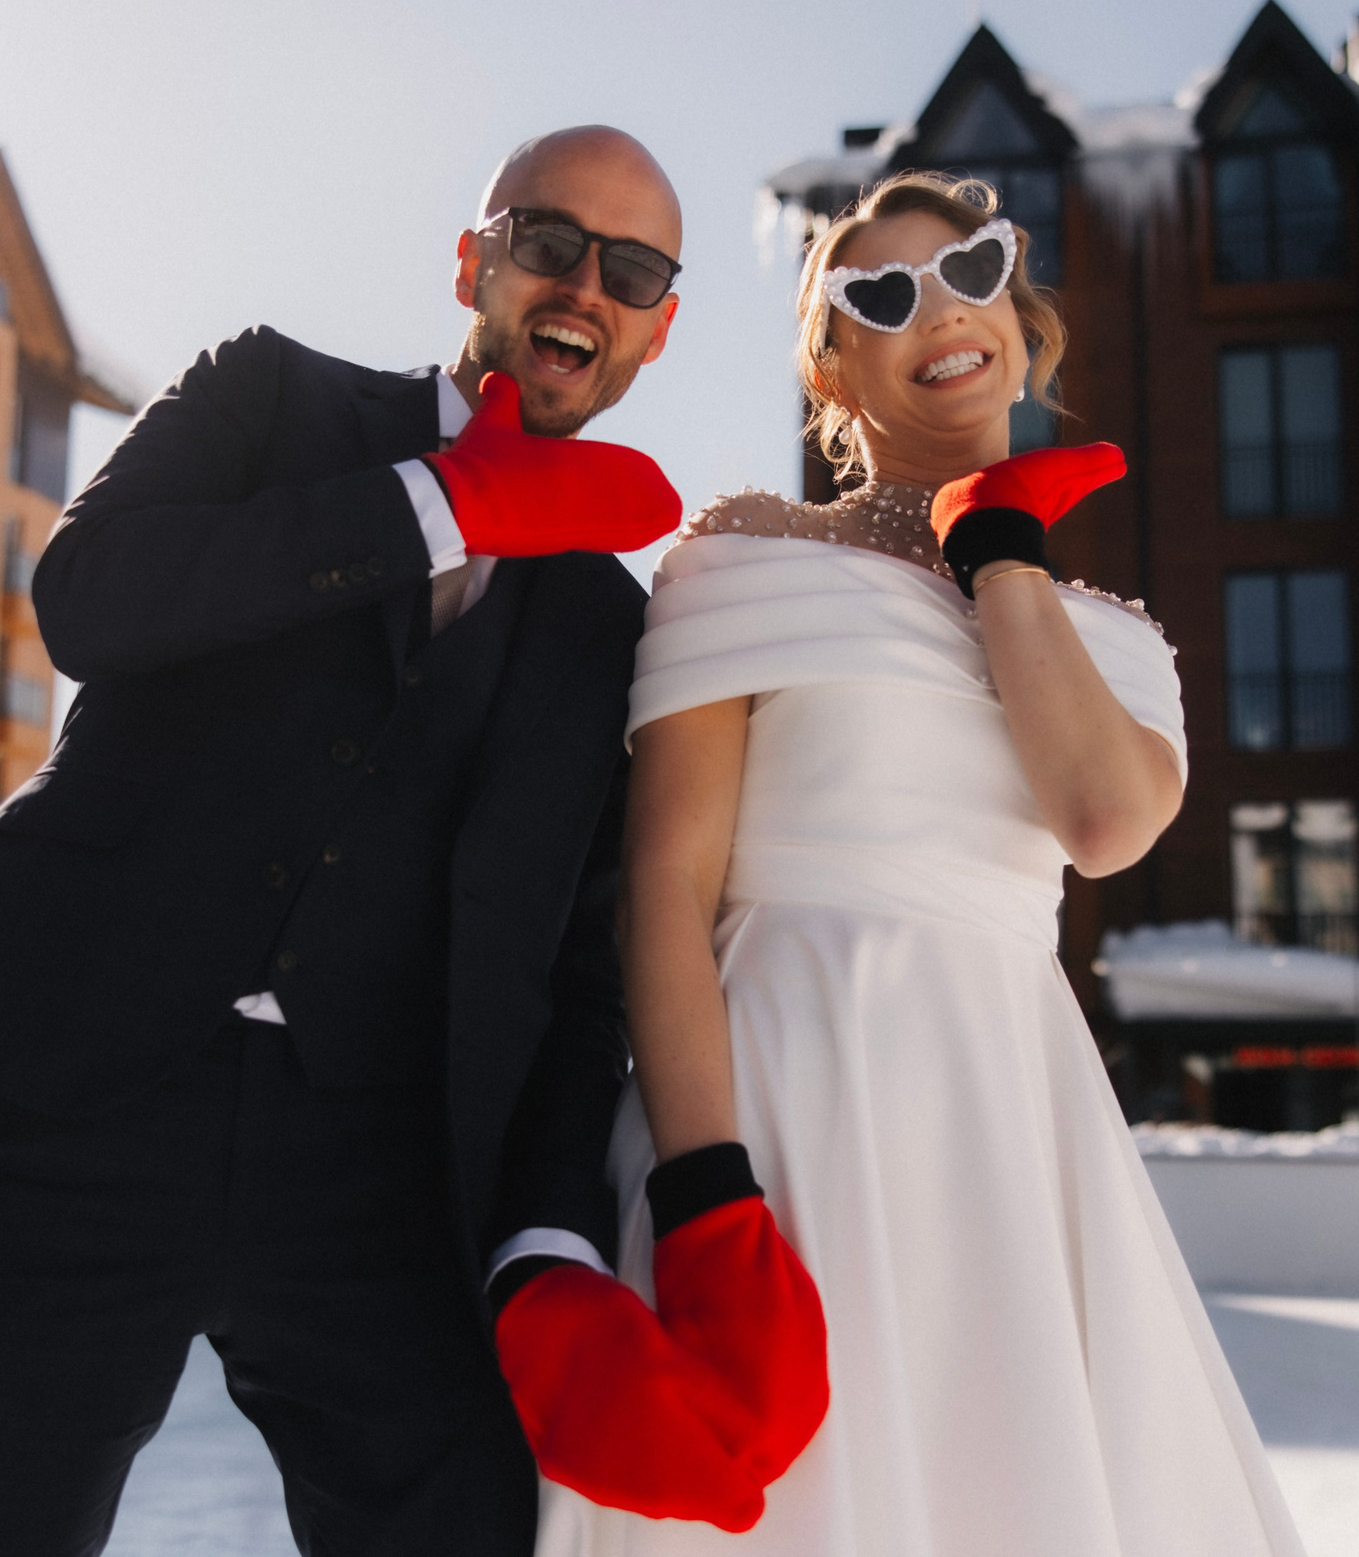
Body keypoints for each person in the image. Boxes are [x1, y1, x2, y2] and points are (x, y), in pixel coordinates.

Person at [0, 125, 696, 1557]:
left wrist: (546, 1238)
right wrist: (435, 505)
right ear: (474, 259)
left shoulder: (616, 626)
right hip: (77, 1094)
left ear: (659, 328)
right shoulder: (270, 399)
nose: (582, 286)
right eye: (547, 241)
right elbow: (87, 599)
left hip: (383, 1168)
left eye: (632, 268)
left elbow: (576, 972)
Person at [530, 172, 1307, 1556]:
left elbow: (1102, 823)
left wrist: (997, 545)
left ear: (1019, 315)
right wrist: (707, 1193)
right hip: (778, 1110)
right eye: (879, 296)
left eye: (970, 273)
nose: (937, 313)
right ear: (831, 362)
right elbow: (664, 890)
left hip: (1009, 1134)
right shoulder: (747, 559)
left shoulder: (1115, 640)